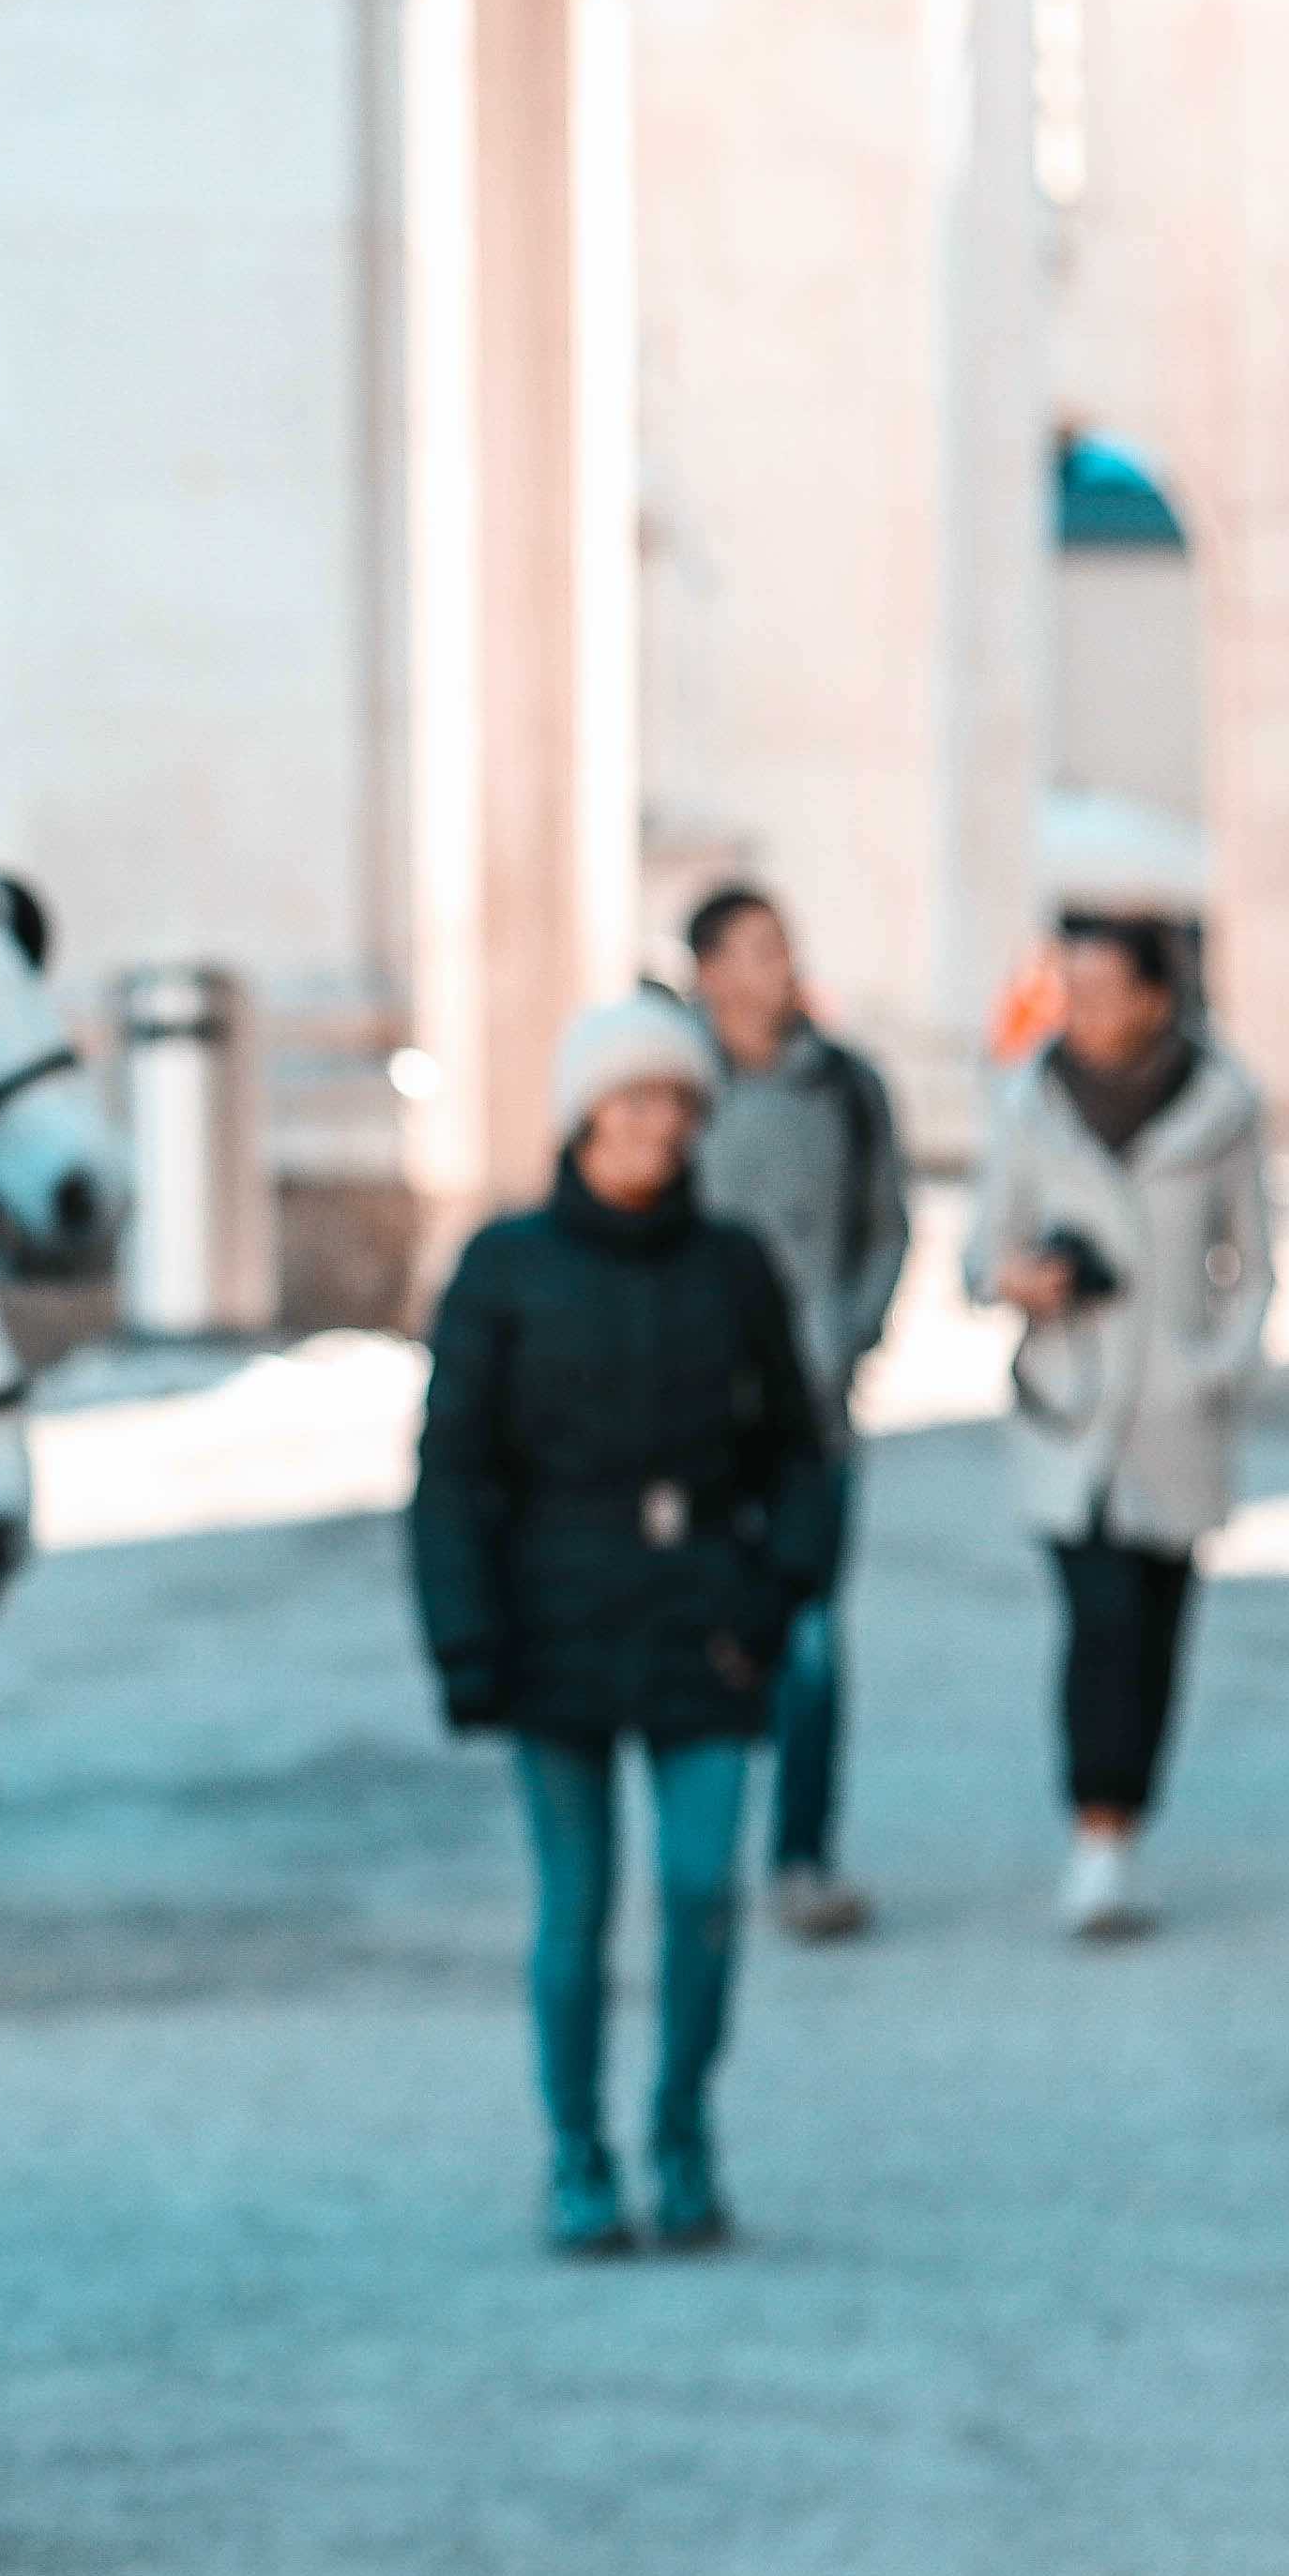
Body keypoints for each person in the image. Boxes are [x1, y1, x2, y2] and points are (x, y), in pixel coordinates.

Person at [412, 993, 839, 2258]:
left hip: (706, 1620)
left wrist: (777, 1597)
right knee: (576, 1907)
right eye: (635, 1099)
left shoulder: (733, 1266)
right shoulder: (506, 1267)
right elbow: (450, 1473)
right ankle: (577, 2154)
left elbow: (800, 1456)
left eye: (678, 1103)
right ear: (585, 1114)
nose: (659, 1124)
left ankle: (681, 2127)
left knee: (706, 1890)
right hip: (556, 1624)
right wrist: (464, 1641)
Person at [965, 911, 1269, 1943]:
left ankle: (1128, 1819)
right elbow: (979, 1251)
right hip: (1068, 1406)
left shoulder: (1225, 1105)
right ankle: (1096, 1830)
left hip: (1176, 1417)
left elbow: (1255, 1267)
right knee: (1101, 1622)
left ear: (1154, 997)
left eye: (1103, 993)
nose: (1082, 1015)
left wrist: (1214, 1365)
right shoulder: (1026, 1102)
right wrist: (1024, 1279)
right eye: (1070, 993)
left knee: (1157, 1625)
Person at [680, 885, 910, 1941]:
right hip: (687, 1414)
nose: (779, 967)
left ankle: (803, 1856)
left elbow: (884, 1227)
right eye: (756, 949)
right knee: (701, 1632)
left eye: (785, 944)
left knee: (811, 1637)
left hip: (812, 1412)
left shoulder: (846, 1087)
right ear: (707, 969)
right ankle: (703, 1855)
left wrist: (846, 1336)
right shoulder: (667, 1085)